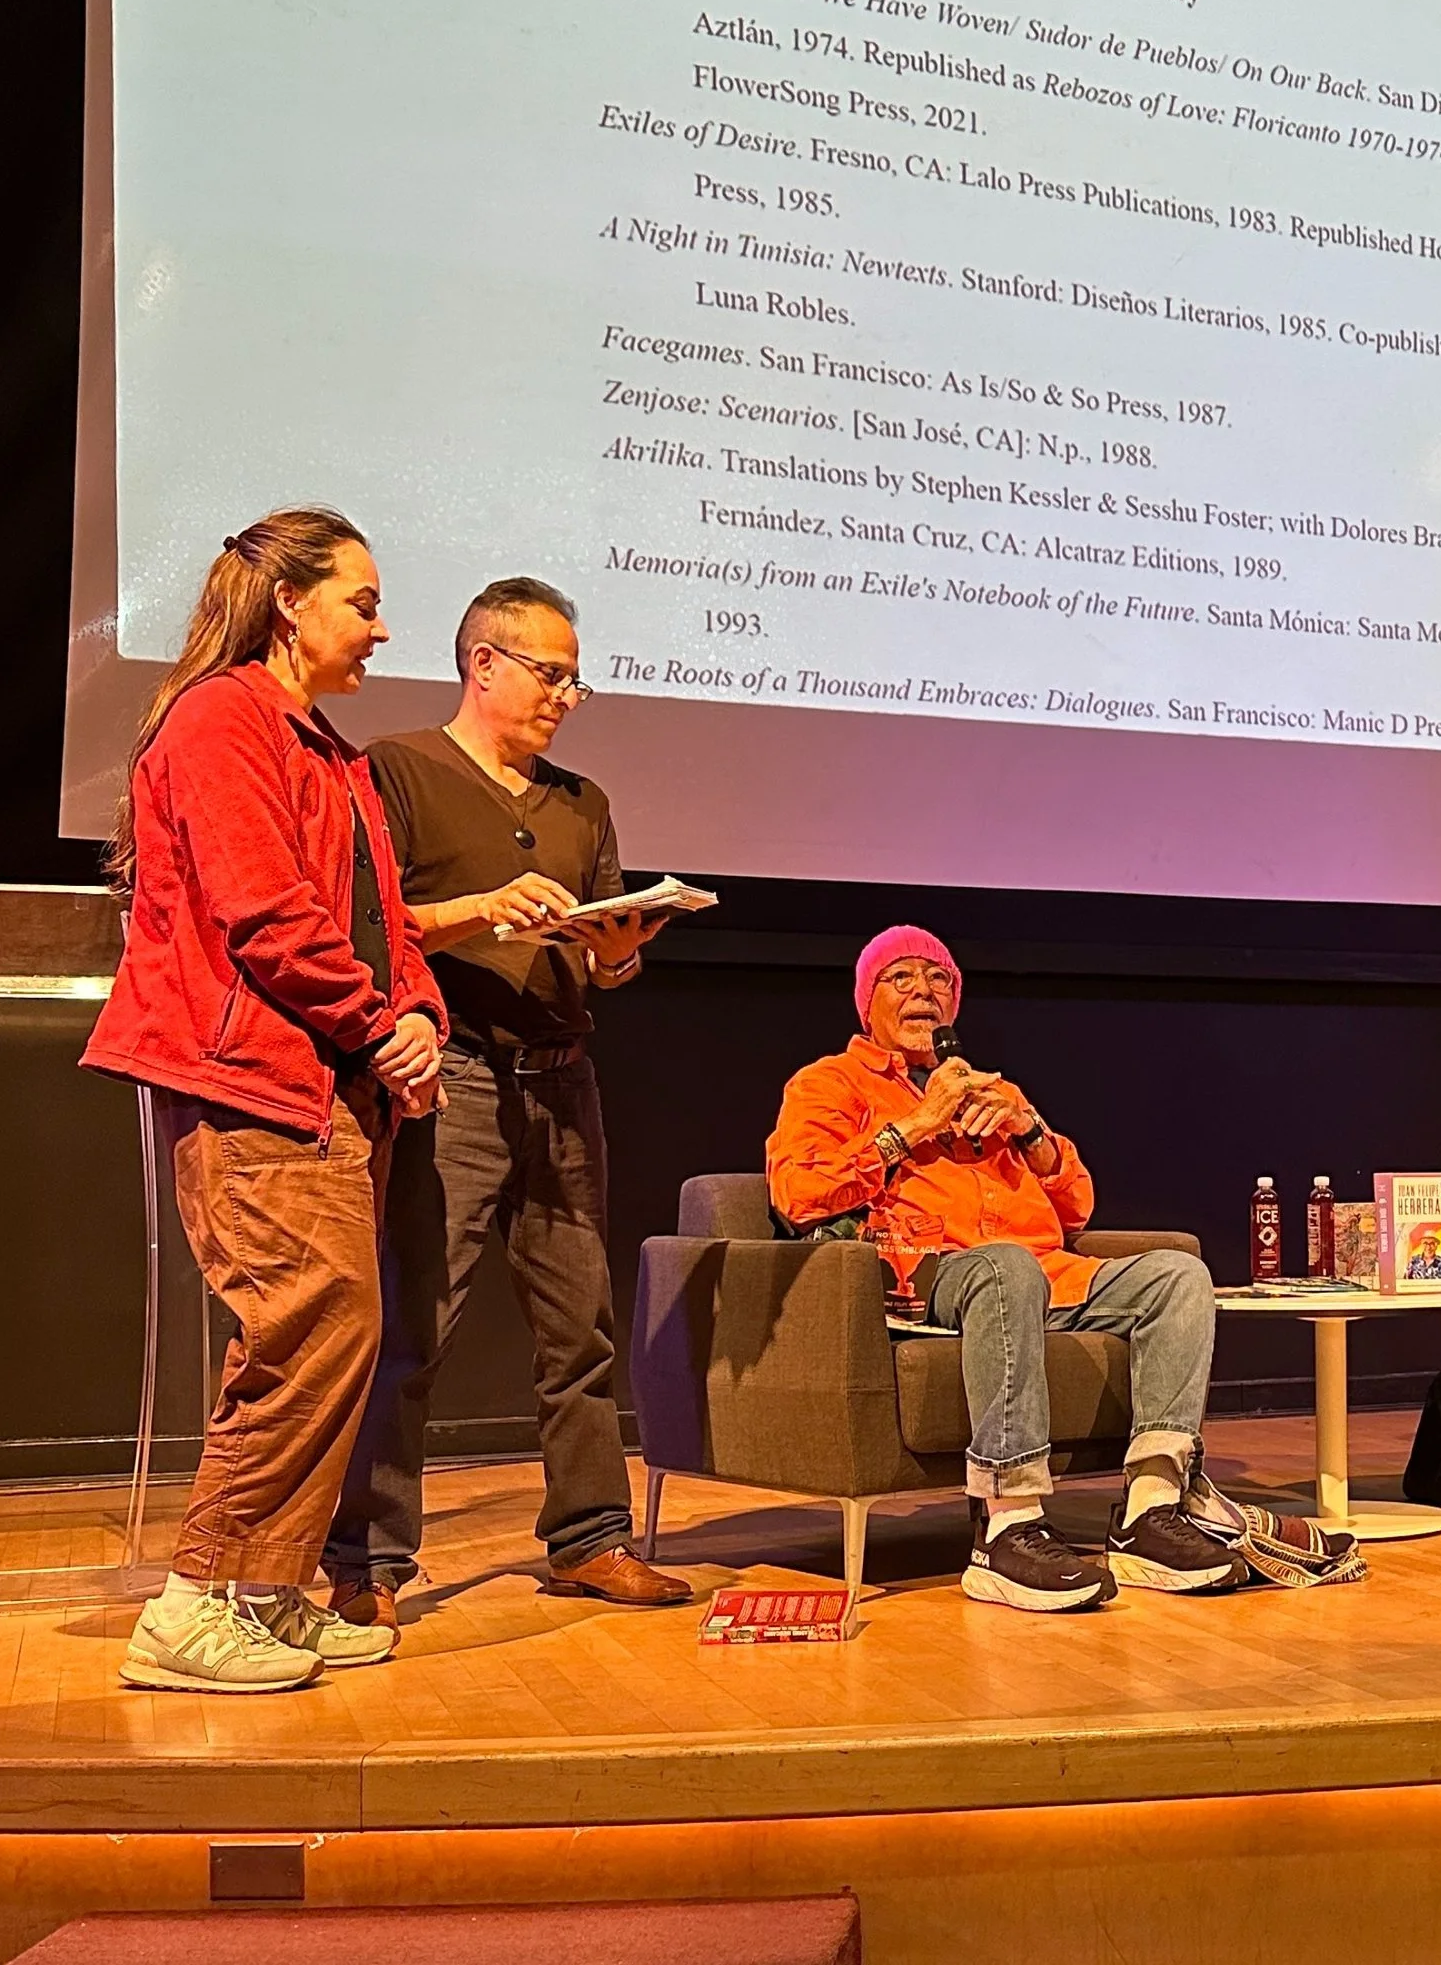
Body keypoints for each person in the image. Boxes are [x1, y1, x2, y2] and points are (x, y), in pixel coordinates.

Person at [83, 508, 446, 1692]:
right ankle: (192, 1604)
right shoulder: (220, 718)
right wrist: (377, 1023)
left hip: (333, 1087)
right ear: (290, 600)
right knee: (307, 1327)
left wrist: (421, 1020)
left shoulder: (328, 749)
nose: (383, 629)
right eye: (363, 601)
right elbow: (262, 912)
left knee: (340, 1329)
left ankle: (266, 1591)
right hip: (254, 1083)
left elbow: (384, 925)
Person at [323, 579, 689, 1621]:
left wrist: (617, 958)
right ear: (483, 662)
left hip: (561, 1078)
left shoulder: (582, 804)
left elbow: (601, 961)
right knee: (414, 1324)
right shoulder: (397, 769)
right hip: (457, 1079)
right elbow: (369, 925)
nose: (567, 697)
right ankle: (369, 1560)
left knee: (581, 1326)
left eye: (577, 679)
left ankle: (589, 1537)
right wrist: (480, 910)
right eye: (550, 674)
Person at [767, 926, 1231, 1612]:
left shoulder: (992, 1089)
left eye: (940, 980)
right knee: (1006, 1268)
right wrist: (918, 1124)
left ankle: (1151, 1510)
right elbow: (798, 1193)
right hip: (928, 1273)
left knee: (1178, 1274)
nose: (925, 991)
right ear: (869, 1002)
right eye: (903, 978)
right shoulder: (829, 1083)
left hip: (1044, 1271)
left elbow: (1077, 1206)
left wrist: (1030, 1128)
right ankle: (1008, 1525)